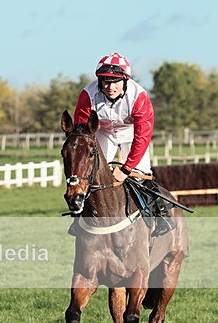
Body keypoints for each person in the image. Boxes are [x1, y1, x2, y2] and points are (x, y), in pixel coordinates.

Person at [73, 52, 175, 235]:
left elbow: (142, 137)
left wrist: (126, 170)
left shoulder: (139, 97)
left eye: (115, 81)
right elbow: (82, 134)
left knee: (142, 175)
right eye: (105, 81)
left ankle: (161, 217)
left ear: (125, 81)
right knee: (89, 173)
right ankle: (80, 218)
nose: (110, 86)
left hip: (131, 134)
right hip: (103, 132)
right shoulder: (88, 95)